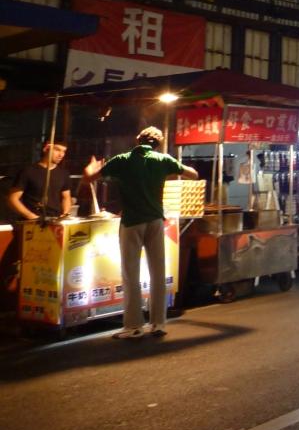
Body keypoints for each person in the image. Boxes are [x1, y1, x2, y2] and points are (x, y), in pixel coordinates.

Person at [83, 127, 197, 339]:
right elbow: (193, 174)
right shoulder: (163, 159)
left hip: (132, 222)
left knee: (131, 274)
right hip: (155, 221)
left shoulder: (122, 159)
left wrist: (91, 167)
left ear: (137, 140)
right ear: (158, 144)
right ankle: (158, 324)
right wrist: (168, 170)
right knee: (158, 272)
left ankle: (134, 326)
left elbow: (89, 178)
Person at [8, 141, 73, 220]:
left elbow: (66, 197)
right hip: (32, 220)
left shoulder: (64, 173)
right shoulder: (28, 171)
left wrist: (65, 214)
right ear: (46, 149)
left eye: (64, 151)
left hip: (55, 219)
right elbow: (13, 199)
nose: (61, 154)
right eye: (57, 150)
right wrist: (31, 216)